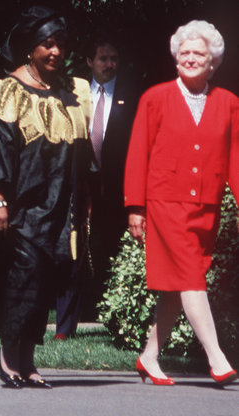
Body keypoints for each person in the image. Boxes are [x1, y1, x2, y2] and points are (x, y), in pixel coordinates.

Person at [0, 6, 92, 388]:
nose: (55, 52)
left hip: (56, 206)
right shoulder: (6, 93)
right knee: (23, 277)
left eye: (60, 45)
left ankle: (28, 357)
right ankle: (9, 354)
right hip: (18, 207)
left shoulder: (68, 94)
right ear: (30, 48)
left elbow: (81, 156)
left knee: (45, 280)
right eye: (47, 44)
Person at [125, 20, 238, 386]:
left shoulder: (229, 103)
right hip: (165, 205)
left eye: (199, 54)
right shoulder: (154, 97)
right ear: (175, 59)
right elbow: (138, 152)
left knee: (178, 285)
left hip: (205, 208)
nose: (190, 59)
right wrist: (135, 207)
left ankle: (149, 356)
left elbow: (236, 158)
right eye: (184, 53)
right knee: (191, 277)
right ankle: (217, 358)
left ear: (213, 63)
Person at [55, 35, 138, 339]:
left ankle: (118, 321)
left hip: (116, 186)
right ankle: (65, 326)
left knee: (114, 249)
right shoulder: (74, 94)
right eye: (102, 58)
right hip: (79, 185)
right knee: (72, 250)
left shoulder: (132, 96)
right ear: (89, 62)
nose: (109, 64)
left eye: (113, 57)